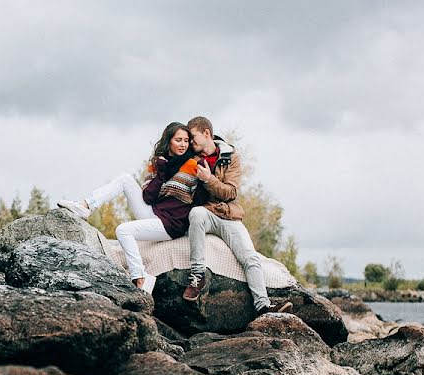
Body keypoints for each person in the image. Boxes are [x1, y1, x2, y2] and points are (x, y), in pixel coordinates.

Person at [57, 122, 201, 291]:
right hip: (153, 213)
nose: (183, 144)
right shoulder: (158, 164)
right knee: (125, 179)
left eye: (185, 140)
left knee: (123, 230)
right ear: (169, 141)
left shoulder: (192, 164)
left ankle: (140, 277)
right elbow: (148, 197)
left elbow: (198, 198)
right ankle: (85, 205)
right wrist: (161, 173)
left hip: (172, 224)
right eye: (178, 140)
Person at [181, 116, 292, 315]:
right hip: (206, 213)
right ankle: (198, 276)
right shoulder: (190, 158)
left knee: (250, 258)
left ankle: (263, 306)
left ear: (207, 133)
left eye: (193, 137)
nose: (190, 142)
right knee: (196, 213)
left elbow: (230, 192)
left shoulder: (230, 156)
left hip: (228, 215)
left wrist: (208, 179)